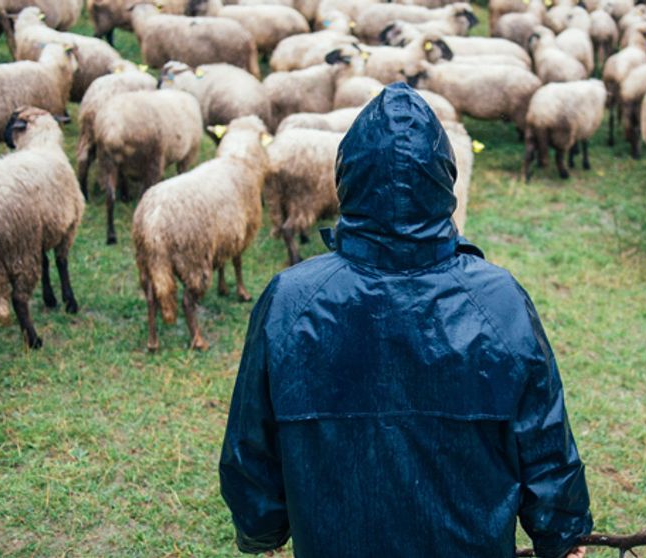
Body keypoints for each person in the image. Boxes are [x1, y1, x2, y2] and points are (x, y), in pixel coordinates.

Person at [219, 82, 593, 558]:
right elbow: (545, 440)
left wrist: (262, 529)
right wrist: (561, 534)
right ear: (443, 179)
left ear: (347, 176)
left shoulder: (290, 302)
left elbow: (249, 451)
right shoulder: (497, 303)